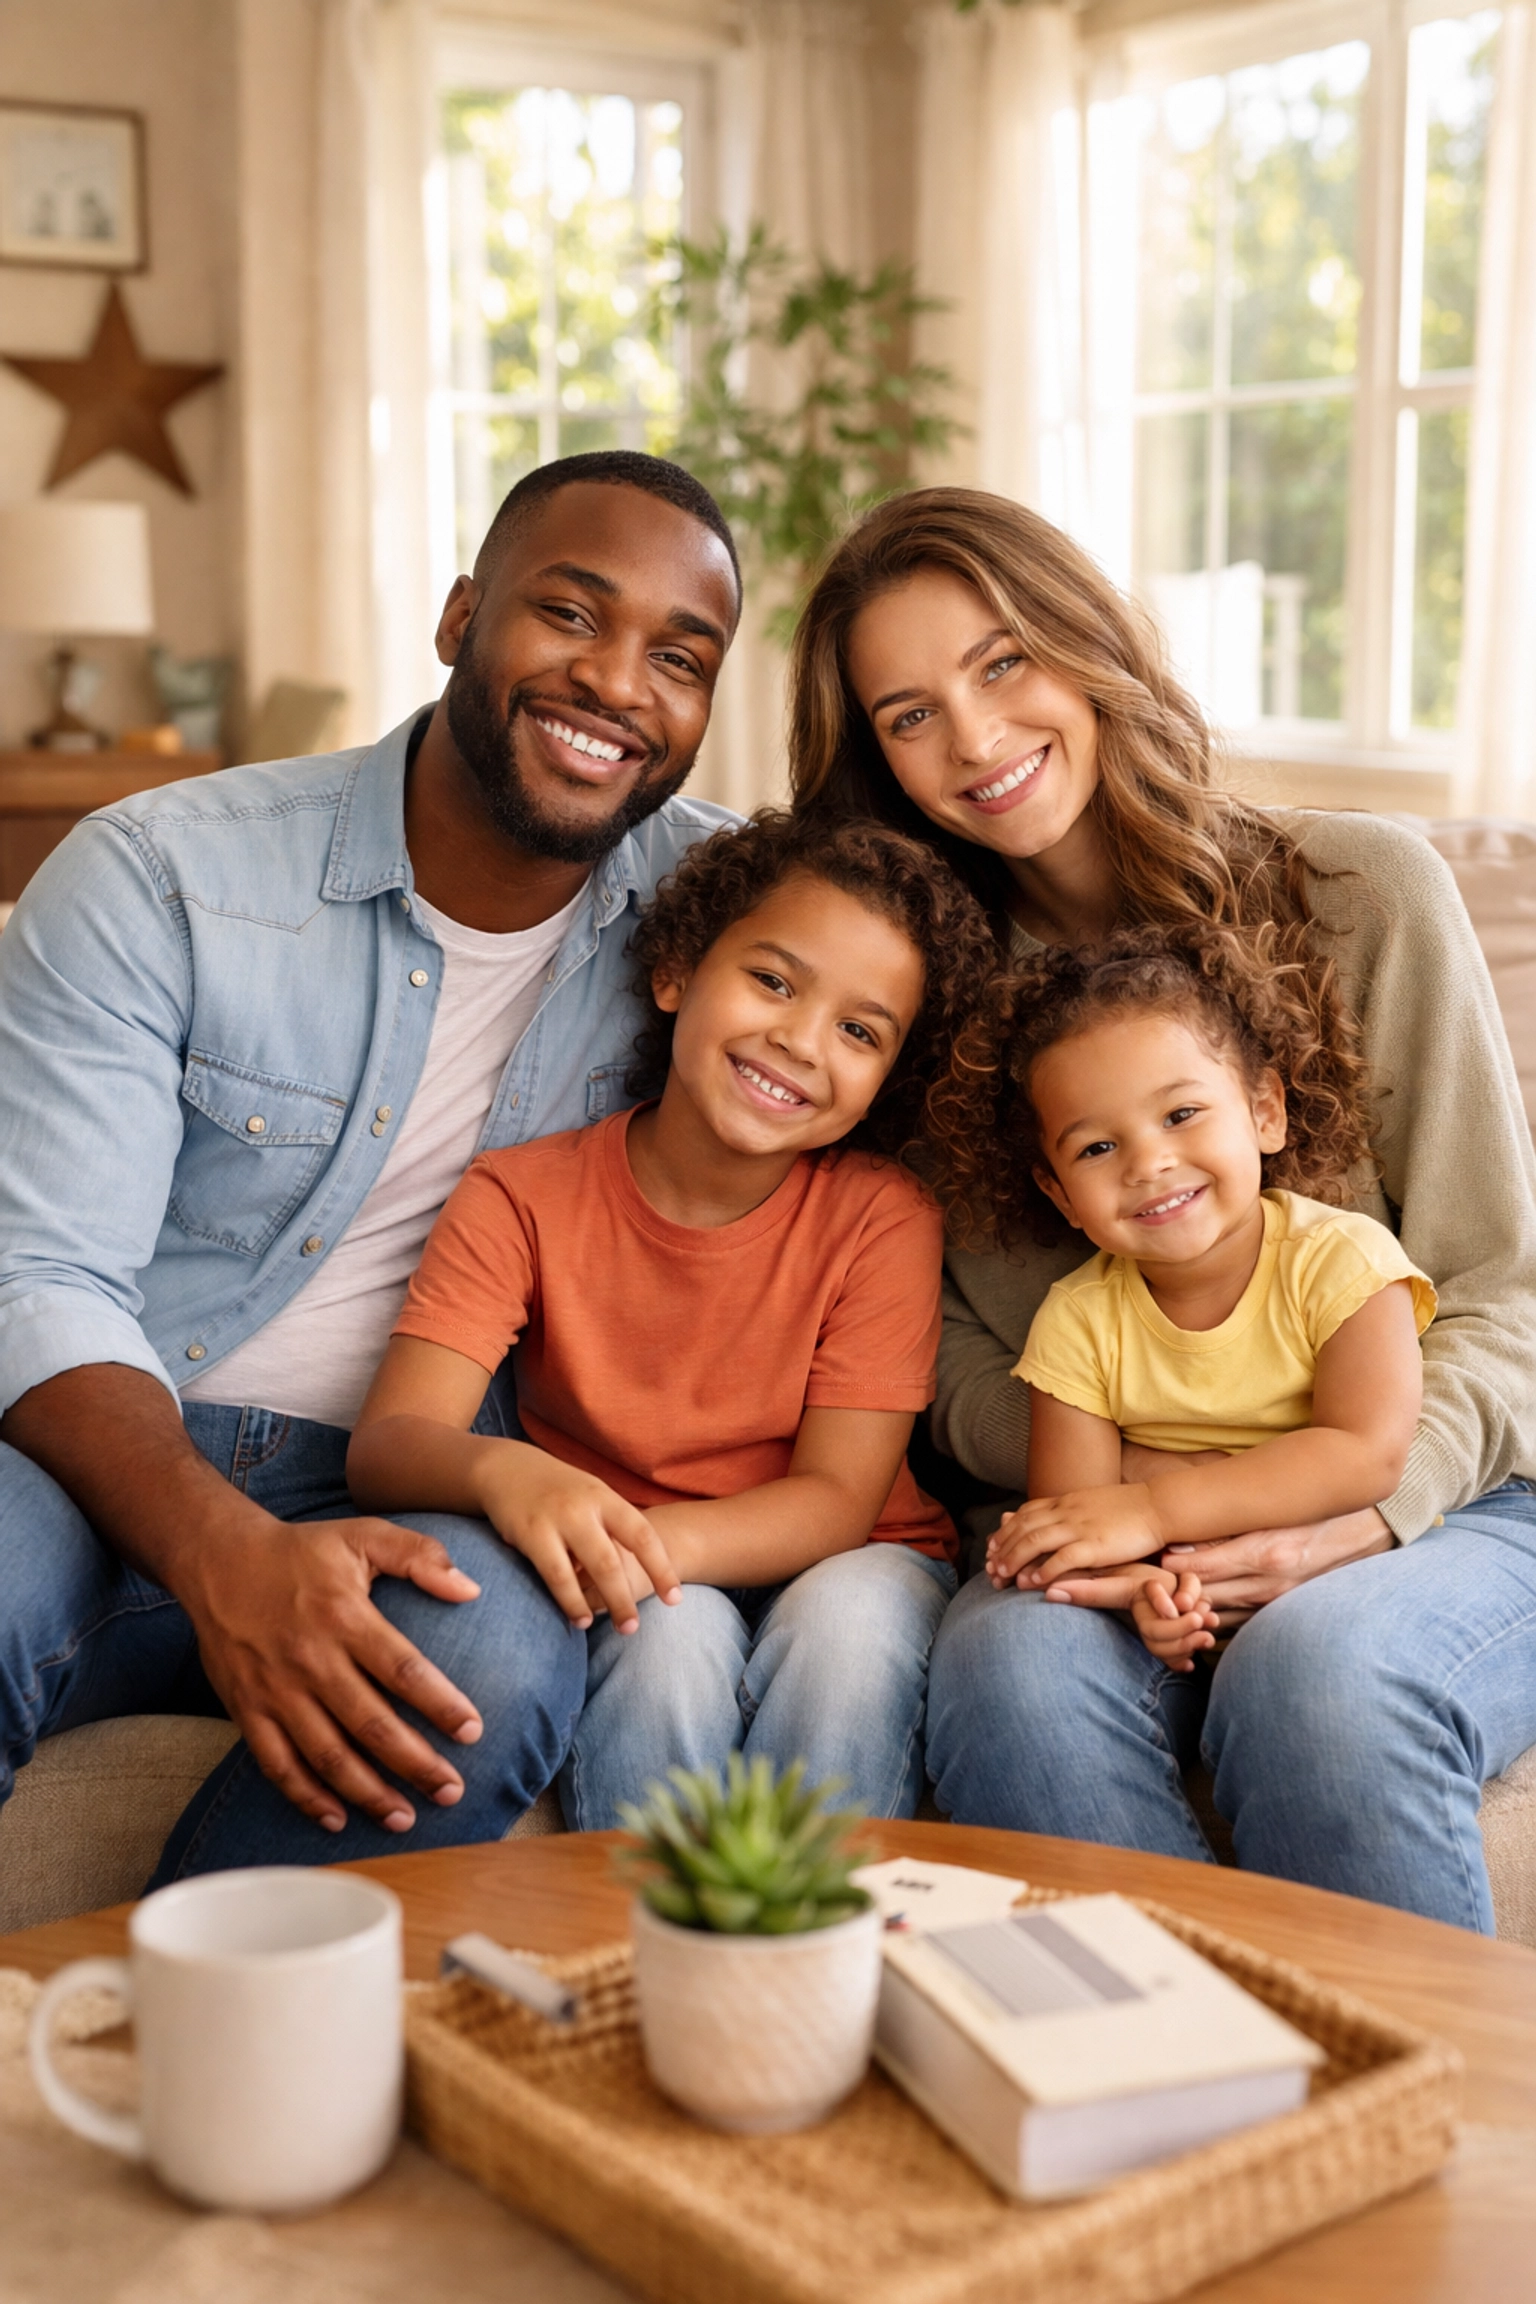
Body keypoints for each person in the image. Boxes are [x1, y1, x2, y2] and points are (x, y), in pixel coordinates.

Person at [788, 484, 1536, 1931]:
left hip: (1444, 1501)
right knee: (1005, 1676)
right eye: (909, 714)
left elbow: (1508, 1290)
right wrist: (1143, 1504)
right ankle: (1172, 2107)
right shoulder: (911, 994)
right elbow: (928, 1348)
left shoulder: (1364, 894)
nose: (979, 739)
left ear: (1086, 641)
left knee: (1319, 1674)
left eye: (1003, 662)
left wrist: (1362, 1507)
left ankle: (1424, 2136)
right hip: (1085, 1506)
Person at [0, 449, 743, 1878]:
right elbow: (38, 1272)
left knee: (496, 1656)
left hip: (427, 1481)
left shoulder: (726, 922)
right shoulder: (164, 874)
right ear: (462, 616)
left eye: (680, 657)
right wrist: (222, 1554)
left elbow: (952, 936)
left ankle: (194, 2056)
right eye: (571, 615)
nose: (616, 683)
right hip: (98, 1449)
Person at [347, 812, 1000, 1824]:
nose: (798, 1039)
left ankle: (818, 1963)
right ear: (677, 973)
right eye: (773, 981)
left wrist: (642, 1547)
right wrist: (500, 1469)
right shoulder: (520, 1196)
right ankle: (653, 1964)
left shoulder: (882, 1217)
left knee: (843, 1633)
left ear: (885, 1083)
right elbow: (391, 1441)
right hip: (646, 1575)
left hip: (854, 1558)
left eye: (859, 1030)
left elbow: (835, 1501)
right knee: (659, 1643)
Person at [984, 928, 1434, 1675]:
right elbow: (1077, 1520)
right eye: (1097, 1148)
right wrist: (1143, 1593)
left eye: (1181, 1114)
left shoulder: (1344, 1263)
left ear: (1265, 1113)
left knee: (1320, 1669)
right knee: (1020, 1648)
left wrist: (1154, 1509)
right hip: (1188, 1588)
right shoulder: (1078, 1319)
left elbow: (1367, 1455)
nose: (1150, 1163)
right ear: (1060, 1195)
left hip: (1348, 1571)